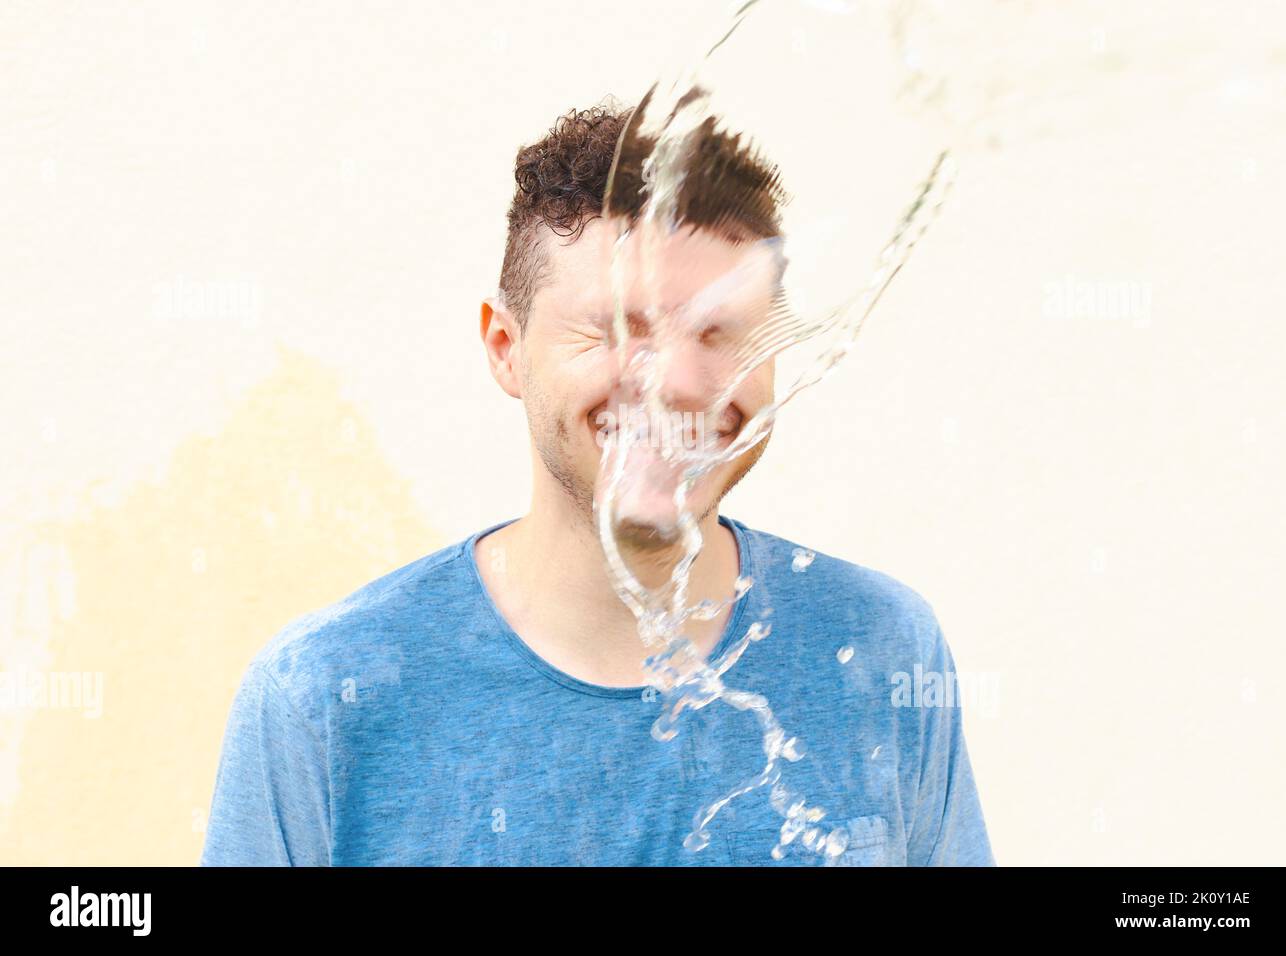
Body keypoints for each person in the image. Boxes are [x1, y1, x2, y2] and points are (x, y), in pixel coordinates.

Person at [200, 100, 995, 866]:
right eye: (618, 328)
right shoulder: (323, 698)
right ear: (506, 347)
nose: (680, 382)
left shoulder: (881, 649)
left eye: (721, 332)